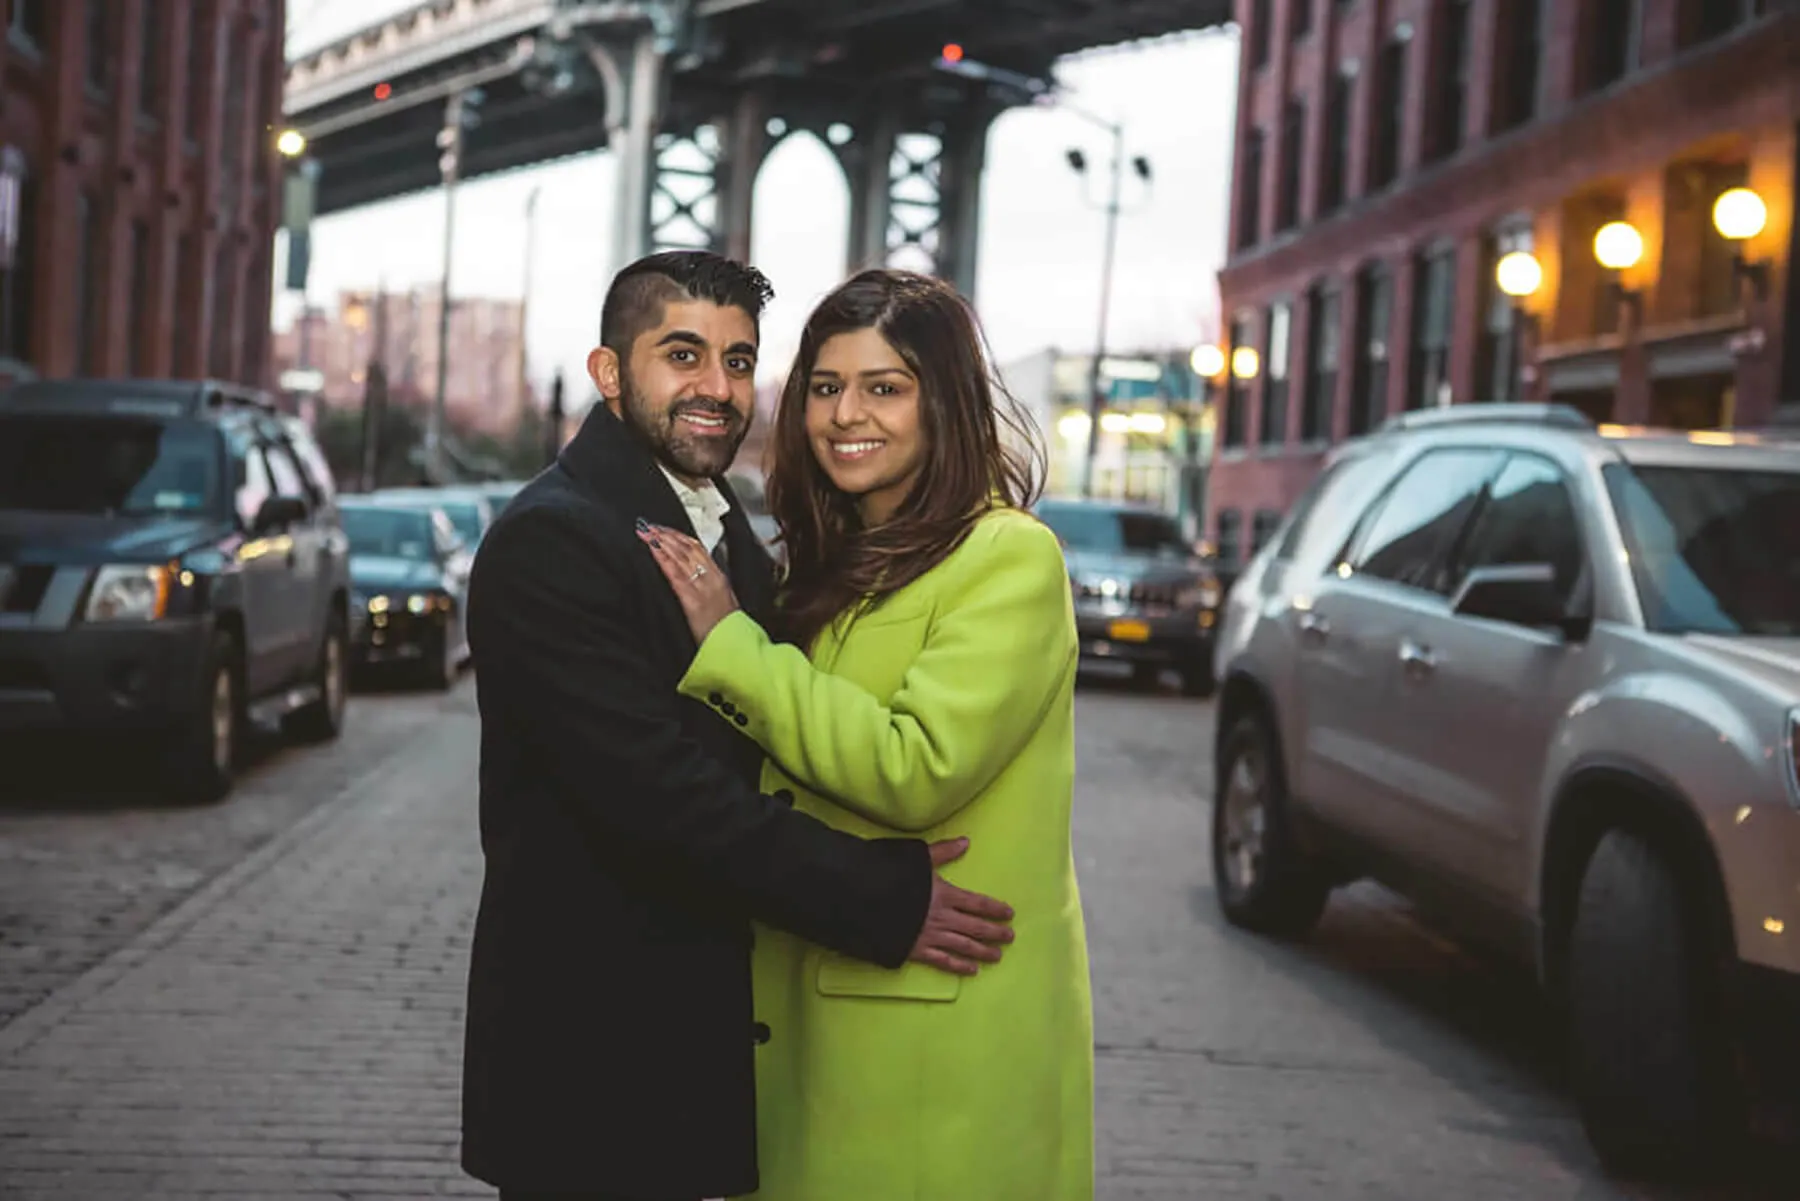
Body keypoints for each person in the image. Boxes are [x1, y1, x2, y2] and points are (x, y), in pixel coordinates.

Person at [459, 252, 1019, 1201]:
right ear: (608, 372)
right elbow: (661, 798)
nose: (716, 388)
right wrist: (881, 896)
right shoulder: (553, 539)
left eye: (737, 360)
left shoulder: (727, 539)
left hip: (693, 1049)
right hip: (590, 1064)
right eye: (683, 355)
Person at [638, 268, 1094, 1201]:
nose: (849, 413)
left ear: (947, 405)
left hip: (935, 1043)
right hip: (817, 1018)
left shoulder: (1007, 557)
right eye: (825, 385)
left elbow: (914, 766)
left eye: (886, 387)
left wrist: (733, 642)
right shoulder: (833, 564)